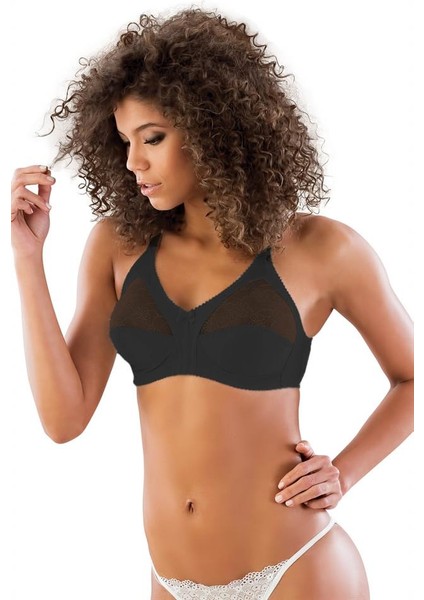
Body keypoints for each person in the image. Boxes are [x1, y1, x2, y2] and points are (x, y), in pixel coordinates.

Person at [10, 7, 413, 600]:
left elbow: (412, 378)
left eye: (152, 138)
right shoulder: (118, 247)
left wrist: (344, 473)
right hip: (172, 581)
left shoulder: (321, 249)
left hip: (297, 569)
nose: (134, 162)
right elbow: (63, 420)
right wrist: (27, 260)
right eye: (125, 141)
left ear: (214, 127)